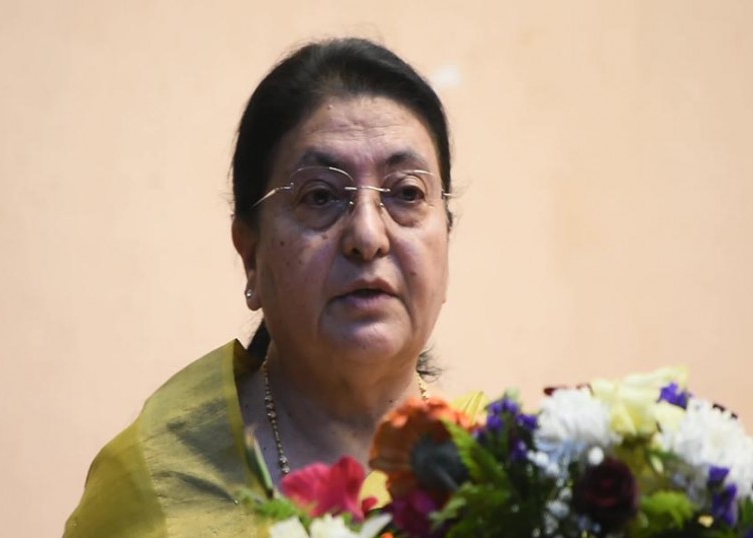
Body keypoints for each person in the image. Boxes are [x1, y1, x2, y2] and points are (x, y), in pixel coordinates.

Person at [64, 36, 473, 537]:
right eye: (320, 196)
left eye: (407, 193)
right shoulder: (155, 495)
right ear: (250, 255)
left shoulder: (506, 480)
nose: (368, 236)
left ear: (446, 238)